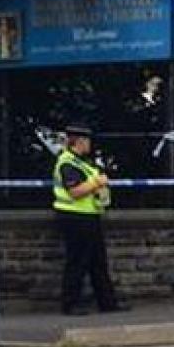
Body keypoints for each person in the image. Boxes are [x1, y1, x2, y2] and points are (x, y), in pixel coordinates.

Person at [52, 124, 123, 316]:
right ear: (80, 142)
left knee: (98, 262)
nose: (90, 145)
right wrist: (97, 183)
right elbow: (75, 191)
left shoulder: (84, 163)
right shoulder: (67, 163)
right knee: (77, 262)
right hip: (74, 217)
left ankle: (107, 302)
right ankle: (70, 304)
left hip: (90, 215)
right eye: (88, 141)